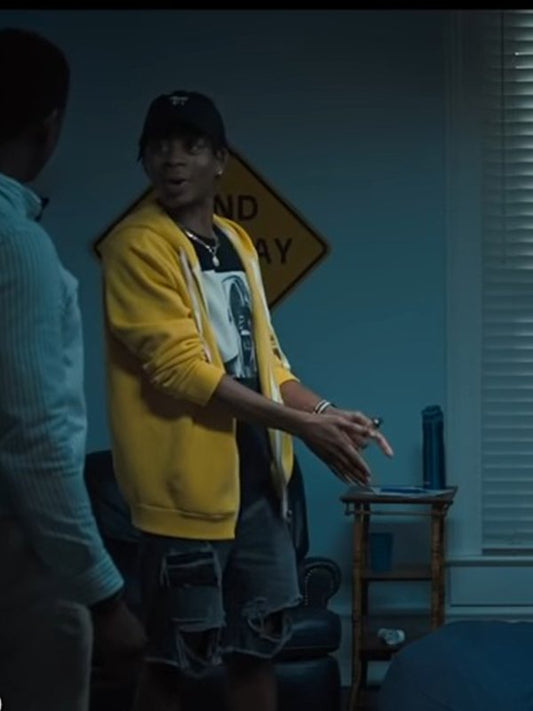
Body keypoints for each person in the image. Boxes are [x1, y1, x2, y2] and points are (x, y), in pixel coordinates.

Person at [97, 89, 394, 711]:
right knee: (173, 665)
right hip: (185, 500)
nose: (173, 160)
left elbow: (267, 363)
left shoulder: (237, 241)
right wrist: (301, 427)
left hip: (260, 492)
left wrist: (323, 413)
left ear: (220, 160)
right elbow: (181, 371)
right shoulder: (137, 245)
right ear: (145, 160)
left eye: (191, 146)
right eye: (159, 147)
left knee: (257, 654)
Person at [0, 27, 145, 711]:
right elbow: (33, 441)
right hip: (23, 554)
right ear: (49, 126)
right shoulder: (17, 246)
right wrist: (105, 598)